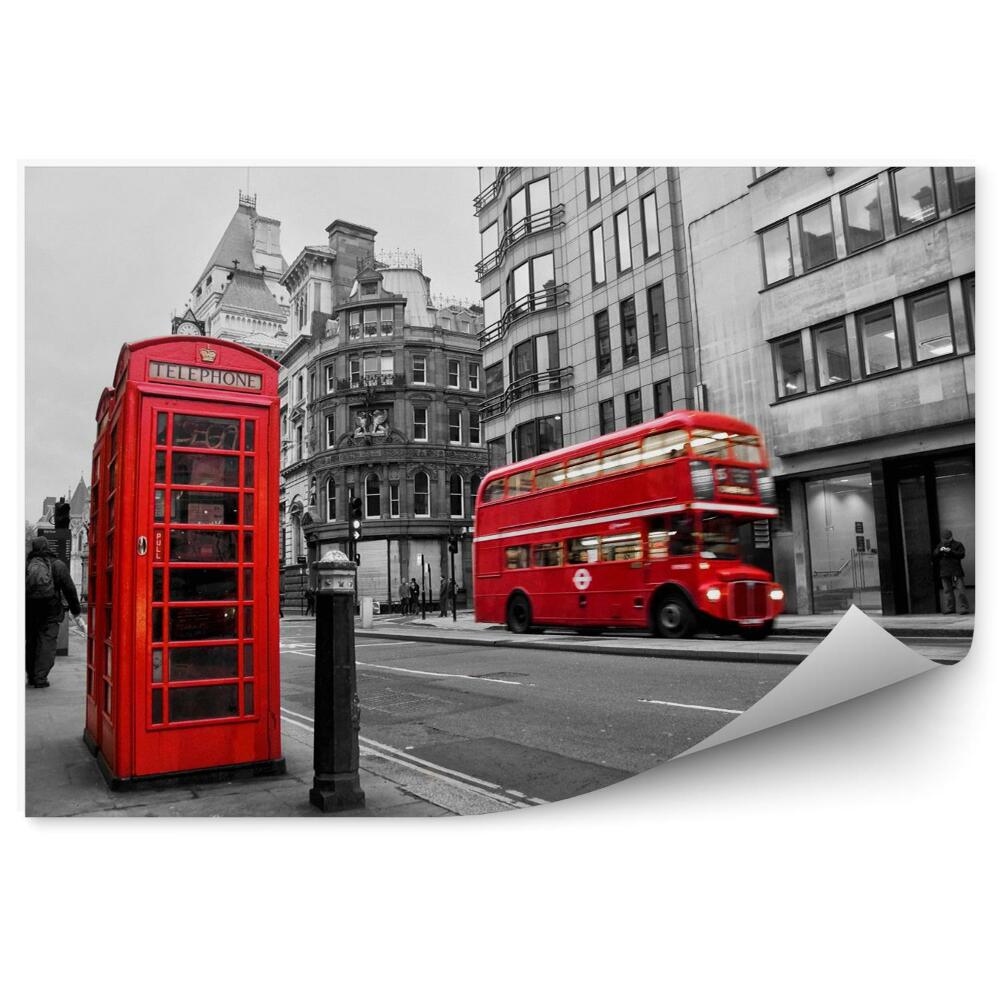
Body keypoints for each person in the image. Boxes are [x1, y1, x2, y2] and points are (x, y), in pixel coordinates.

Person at [26, 536, 82, 688]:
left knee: (31, 642)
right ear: (47, 547)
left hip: (29, 610)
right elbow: (69, 589)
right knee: (47, 643)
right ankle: (40, 677)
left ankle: (31, 675)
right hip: (50, 610)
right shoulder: (57, 565)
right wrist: (76, 610)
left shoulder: (26, 564)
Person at [933, 529, 970, 614]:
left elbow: (961, 554)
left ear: (951, 537)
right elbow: (934, 555)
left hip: (955, 571)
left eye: (947, 539)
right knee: (947, 591)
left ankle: (964, 608)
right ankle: (950, 608)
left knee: (960, 590)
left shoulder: (957, 544)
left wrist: (951, 551)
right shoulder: (940, 546)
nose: (945, 540)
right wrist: (940, 550)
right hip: (944, 572)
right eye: (944, 539)